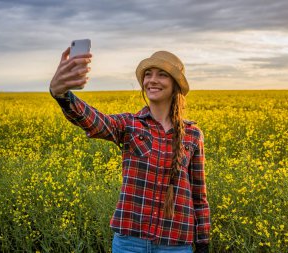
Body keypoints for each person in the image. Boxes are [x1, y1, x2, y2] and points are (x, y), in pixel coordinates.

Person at [49, 48, 211, 252]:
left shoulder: (193, 134)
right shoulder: (129, 125)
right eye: (148, 74)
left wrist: (203, 241)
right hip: (130, 242)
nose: (152, 80)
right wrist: (62, 95)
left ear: (175, 85)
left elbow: (199, 194)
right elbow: (97, 122)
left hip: (175, 243)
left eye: (162, 75)